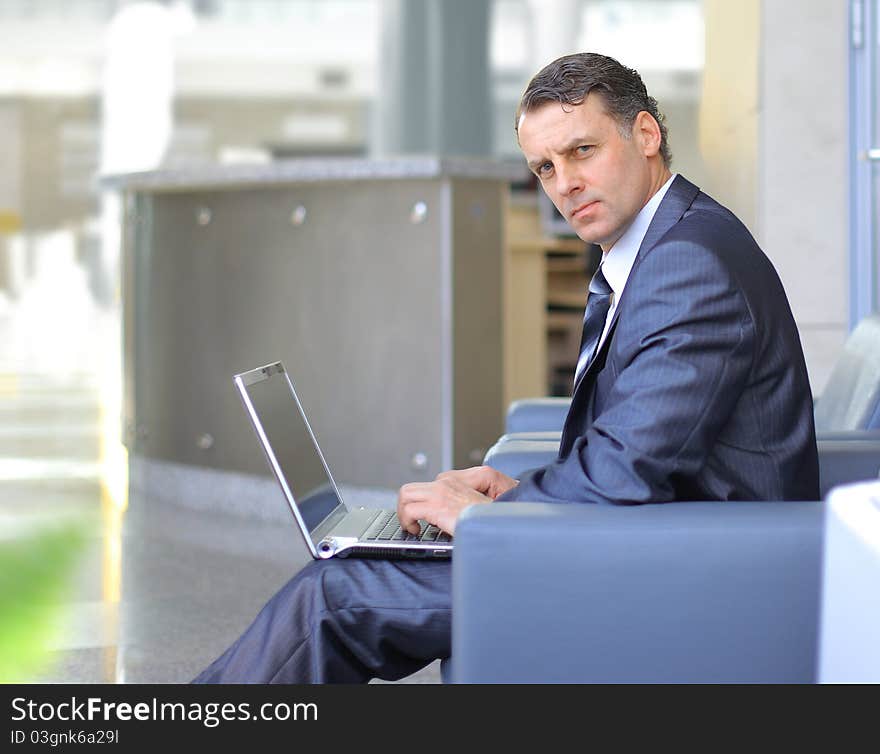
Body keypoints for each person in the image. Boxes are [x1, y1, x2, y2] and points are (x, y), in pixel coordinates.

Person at [193, 52, 818, 684]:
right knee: (343, 580)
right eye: (545, 167)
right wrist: (520, 496)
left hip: (690, 573)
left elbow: (625, 473)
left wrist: (488, 519)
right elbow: (639, 447)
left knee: (334, 597)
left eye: (582, 151)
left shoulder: (689, 265)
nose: (564, 183)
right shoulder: (669, 244)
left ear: (647, 135)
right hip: (654, 541)